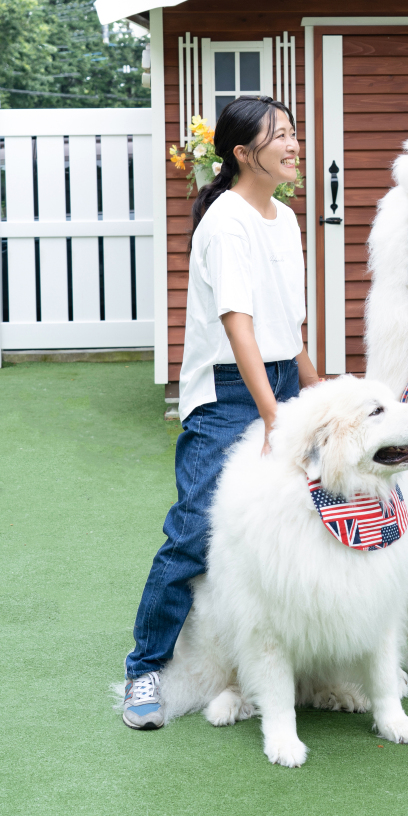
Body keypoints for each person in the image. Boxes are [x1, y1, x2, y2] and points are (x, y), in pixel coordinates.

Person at [122, 96, 319, 730]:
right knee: (194, 532)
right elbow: (240, 325)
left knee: (299, 521)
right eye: (278, 137)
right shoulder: (226, 223)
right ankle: (143, 670)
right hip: (230, 393)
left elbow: (289, 325)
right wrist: (272, 416)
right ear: (242, 154)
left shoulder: (284, 219)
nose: (292, 145)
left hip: (280, 379)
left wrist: (314, 395)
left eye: (293, 133)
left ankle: (297, 660)